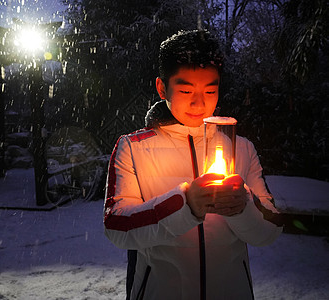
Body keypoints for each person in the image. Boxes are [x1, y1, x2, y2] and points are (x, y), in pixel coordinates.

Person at [103, 30, 283, 300]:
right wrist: (186, 203)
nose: (200, 102)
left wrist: (243, 205)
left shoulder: (242, 148)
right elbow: (117, 226)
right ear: (162, 88)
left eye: (211, 90)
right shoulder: (134, 147)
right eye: (186, 90)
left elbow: (270, 228)